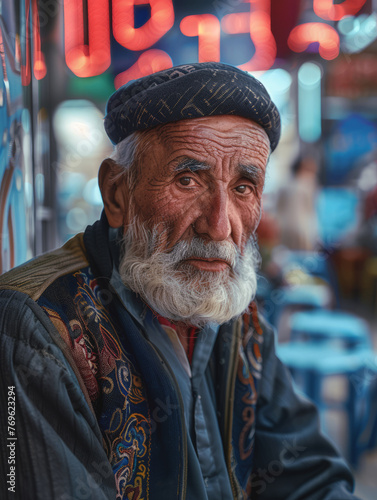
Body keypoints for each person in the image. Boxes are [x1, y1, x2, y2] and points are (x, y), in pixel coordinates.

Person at [0, 62, 359, 499]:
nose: (219, 226)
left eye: (244, 187)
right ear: (117, 193)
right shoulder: (33, 325)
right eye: (188, 180)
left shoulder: (235, 313)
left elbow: (309, 476)